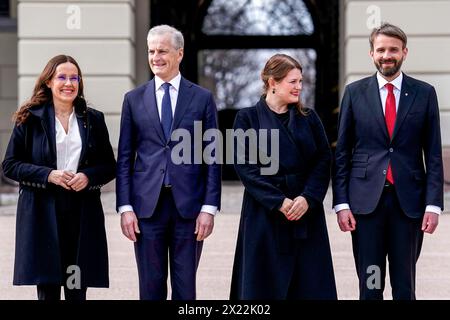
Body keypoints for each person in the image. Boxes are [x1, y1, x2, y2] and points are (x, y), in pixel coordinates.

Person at [332, 23, 443, 300]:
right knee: (371, 284)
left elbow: (433, 154)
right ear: (371, 54)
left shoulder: (424, 93)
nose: (387, 55)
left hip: (409, 205)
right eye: (380, 49)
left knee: (405, 286)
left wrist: (433, 205)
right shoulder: (355, 93)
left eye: (393, 49)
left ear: (404, 52)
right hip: (365, 207)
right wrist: (341, 203)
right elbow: (343, 152)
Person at [116, 24, 221, 300]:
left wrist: (209, 208)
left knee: (185, 290)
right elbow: (125, 158)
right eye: (151, 51)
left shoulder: (202, 98)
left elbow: (213, 157)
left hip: (189, 208)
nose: (155, 57)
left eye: (162, 51)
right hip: (145, 208)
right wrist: (125, 207)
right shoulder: (133, 99)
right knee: (150, 288)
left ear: (180, 54)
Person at [2, 55, 116, 300]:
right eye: (62, 77)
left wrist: (88, 176)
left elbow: (109, 166)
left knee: (76, 287)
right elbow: (10, 165)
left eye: (74, 78)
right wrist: (48, 175)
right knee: (49, 290)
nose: (69, 83)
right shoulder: (30, 118)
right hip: (43, 214)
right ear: (49, 82)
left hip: (81, 212)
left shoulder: (93, 120)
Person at [230, 53, 337, 300]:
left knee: (310, 286)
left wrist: (308, 197)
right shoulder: (246, 119)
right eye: (293, 81)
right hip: (264, 214)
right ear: (272, 82)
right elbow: (245, 166)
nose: (299, 87)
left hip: (305, 212)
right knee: (263, 287)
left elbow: (323, 160)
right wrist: (279, 201)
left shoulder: (309, 118)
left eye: (300, 81)